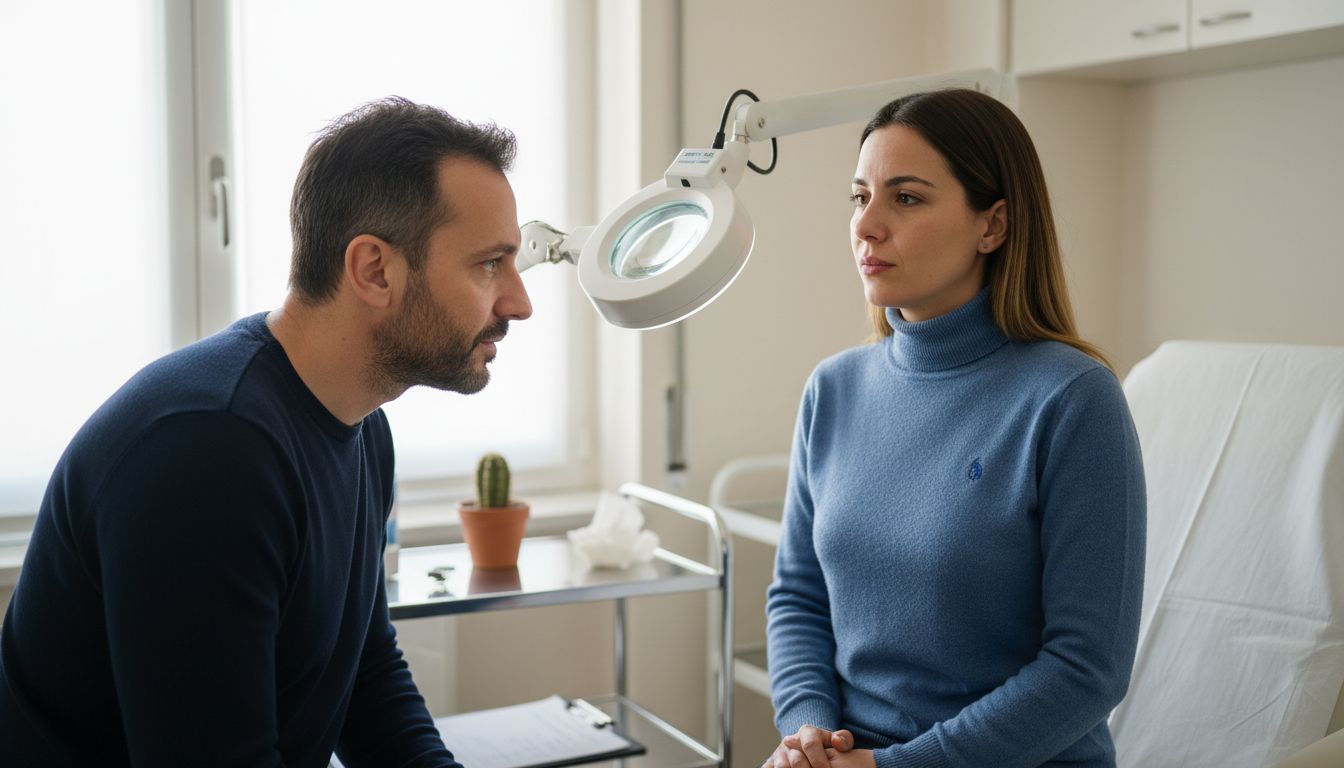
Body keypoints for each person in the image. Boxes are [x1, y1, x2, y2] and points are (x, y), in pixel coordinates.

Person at [0, 97, 532, 767]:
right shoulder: (206, 452)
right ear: (374, 270)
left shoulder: (363, 429)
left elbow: (366, 677)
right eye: (490, 263)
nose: (519, 301)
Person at [764, 88, 1145, 768]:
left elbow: (1087, 669)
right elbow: (798, 597)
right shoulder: (833, 389)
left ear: (992, 225)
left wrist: (896, 767)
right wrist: (808, 736)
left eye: (905, 198)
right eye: (860, 197)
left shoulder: (1072, 400)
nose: (867, 225)